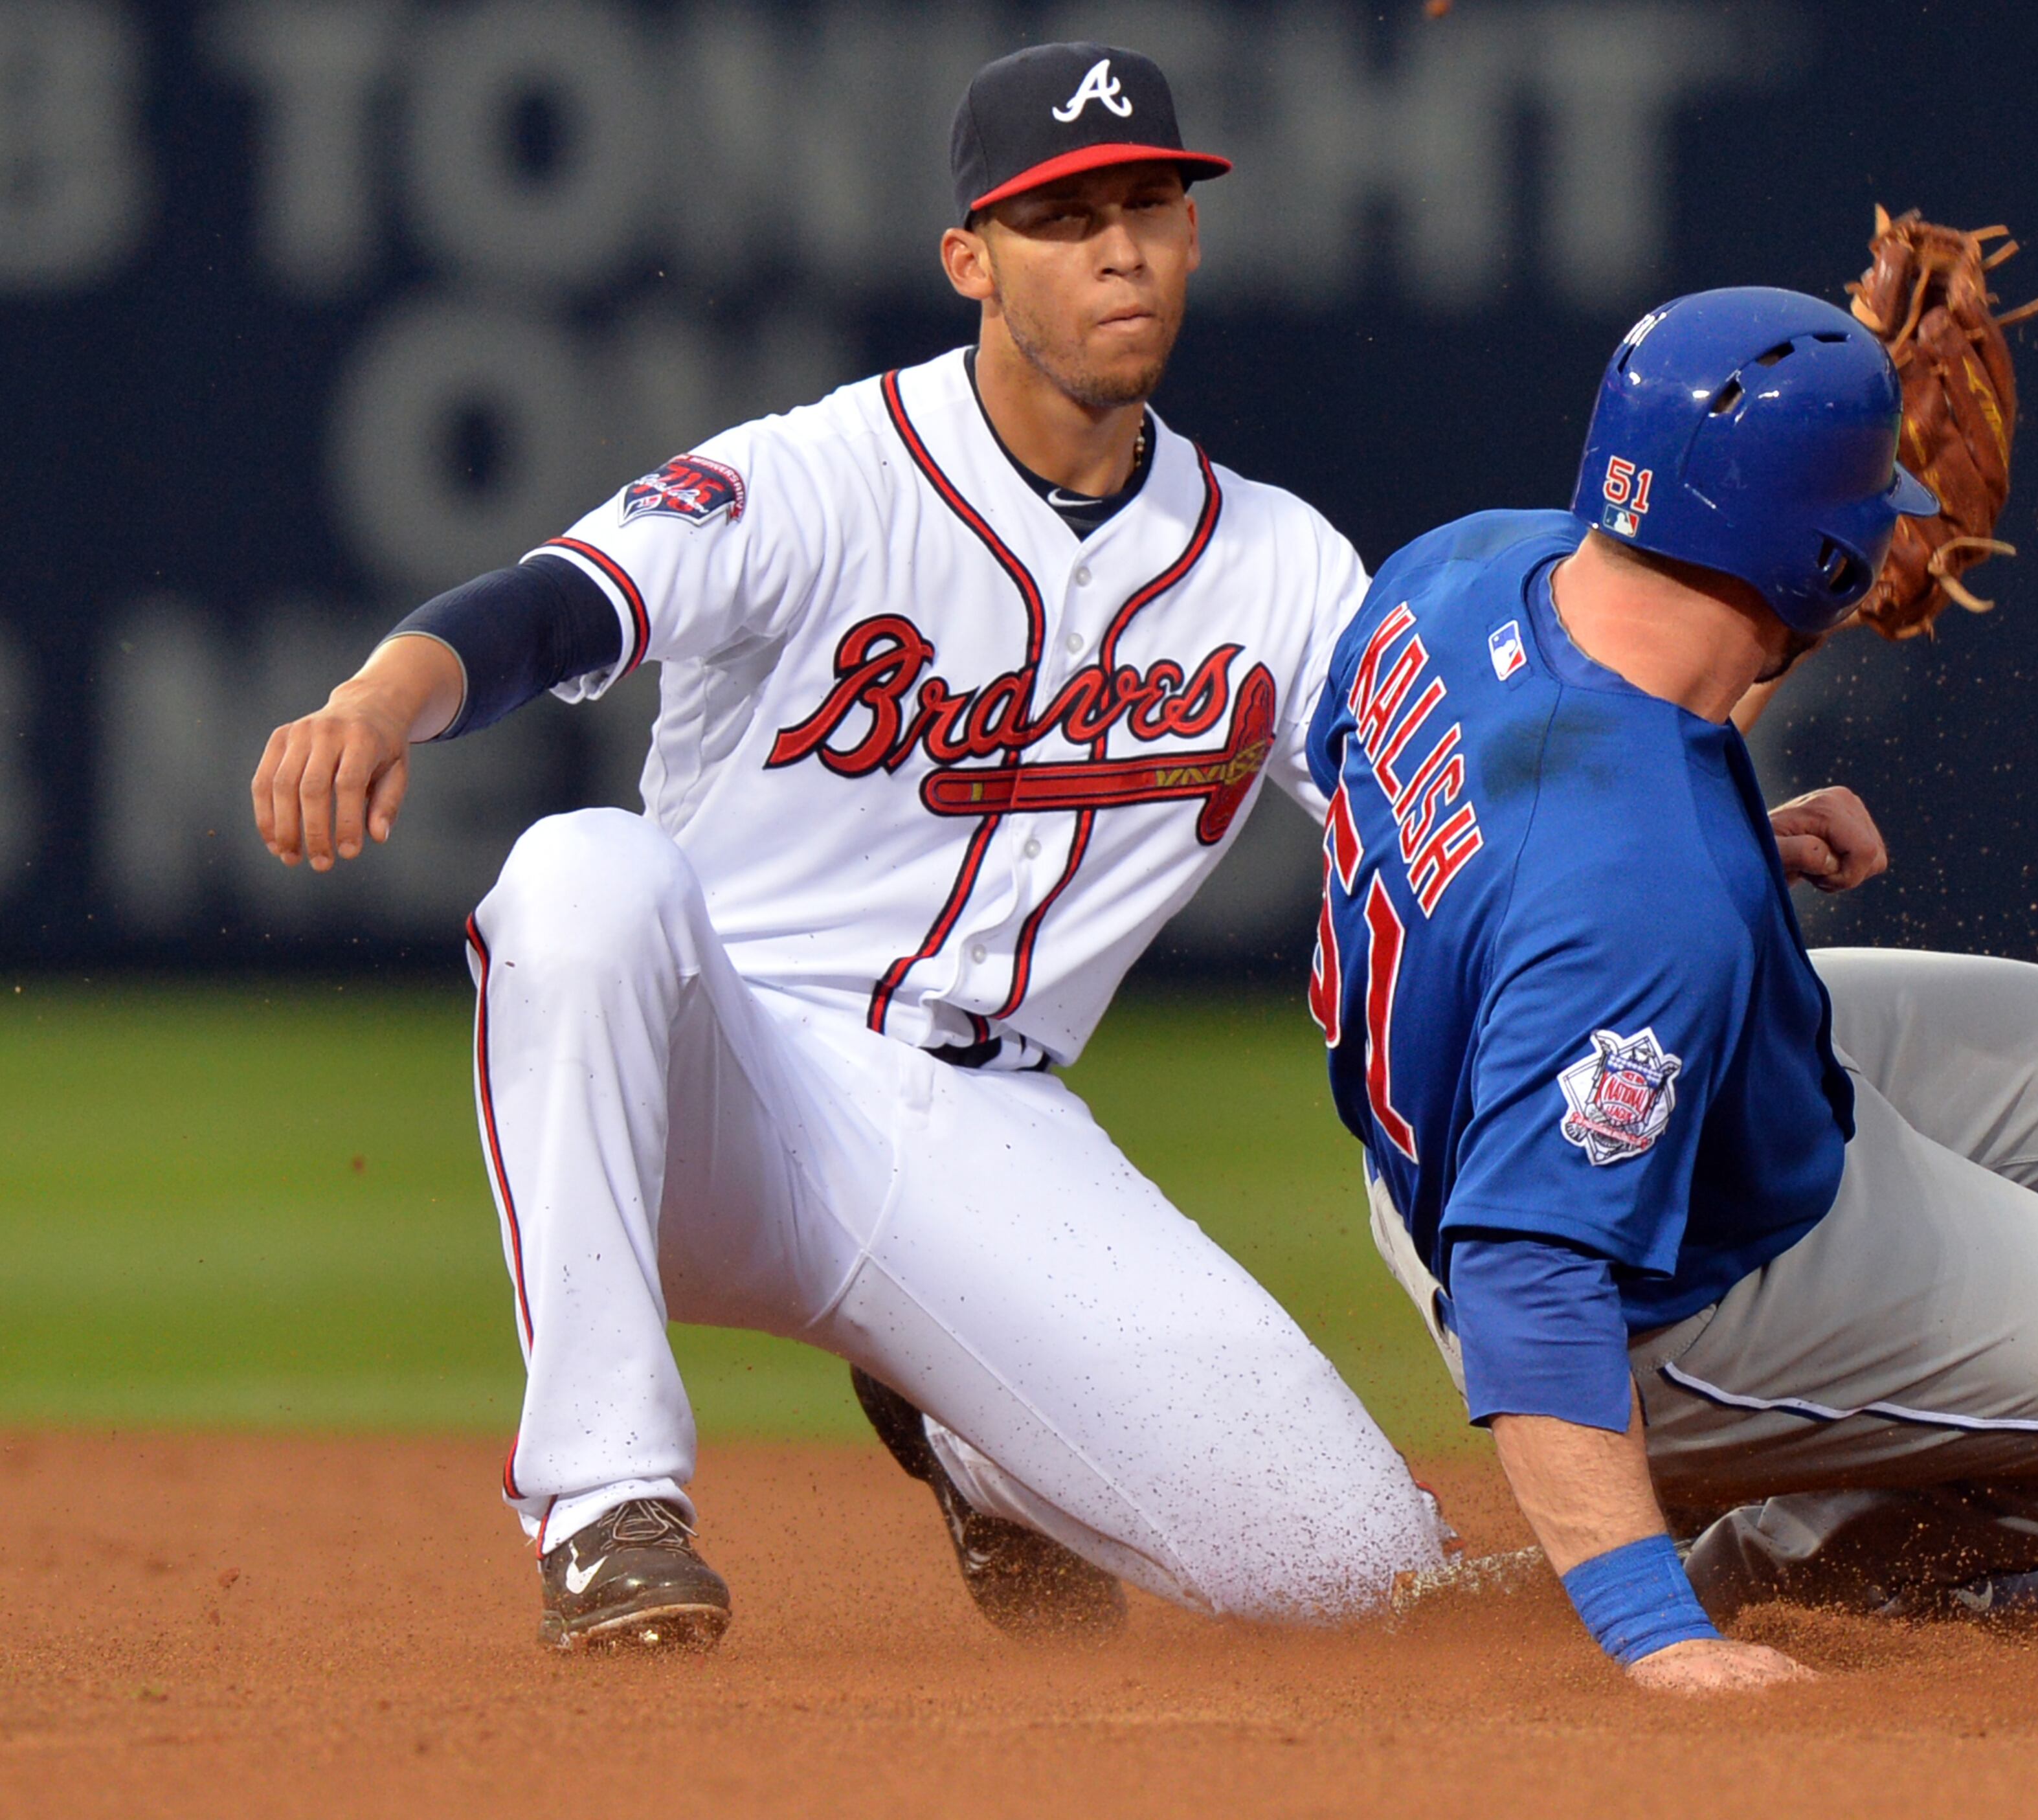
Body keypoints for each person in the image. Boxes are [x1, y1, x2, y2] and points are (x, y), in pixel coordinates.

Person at [249, 41, 1453, 1650]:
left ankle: (977, 1435)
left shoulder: (1283, 561)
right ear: (971, 260)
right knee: (584, 874)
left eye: (1150, 204)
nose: (1116, 247)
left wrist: (1679, 810)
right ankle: (609, 1504)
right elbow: (564, 603)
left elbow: (1436, 806)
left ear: (1190, 234)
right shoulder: (822, 475)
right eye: (1062, 216)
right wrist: (381, 696)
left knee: (1354, 1574)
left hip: (993, 1129)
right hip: (720, 1087)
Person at [1307, 287, 2038, 1693]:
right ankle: (1767, 1562)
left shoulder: (1466, 566)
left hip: (1500, 1113)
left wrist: (1712, 838)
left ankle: (1870, 1451)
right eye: (1867, 510)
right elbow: (1531, 1275)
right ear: (1823, 553)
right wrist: (1657, 1644)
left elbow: (1436, 796)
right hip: (1636, 1284)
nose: (1896, 528)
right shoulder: (1634, 889)